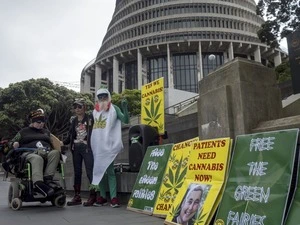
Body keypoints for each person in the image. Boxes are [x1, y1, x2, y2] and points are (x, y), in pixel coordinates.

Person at [83, 88, 129, 207]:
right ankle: (102, 197)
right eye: (100, 97)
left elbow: (126, 120)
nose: (102, 98)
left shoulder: (114, 109)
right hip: (97, 147)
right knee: (100, 171)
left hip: (108, 146)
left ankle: (113, 198)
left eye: (104, 96)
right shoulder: (95, 112)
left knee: (110, 172)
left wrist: (125, 108)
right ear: (97, 98)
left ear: (108, 96)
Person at [9, 109, 61, 197]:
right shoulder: (23, 132)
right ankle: (38, 183)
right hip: (29, 153)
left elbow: (55, 143)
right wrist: (14, 144)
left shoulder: (46, 132)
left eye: (43, 122)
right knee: (37, 158)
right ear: (32, 122)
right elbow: (11, 143)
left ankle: (48, 179)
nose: (41, 124)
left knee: (55, 153)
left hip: (45, 151)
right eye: (38, 122)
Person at [62, 98, 94, 206]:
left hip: (87, 147)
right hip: (76, 148)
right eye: (75, 107)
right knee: (77, 172)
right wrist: (62, 143)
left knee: (90, 171)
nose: (77, 109)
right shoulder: (74, 120)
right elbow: (70, 134)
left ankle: (93, 196)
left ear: (84, 107)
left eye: (79, 106)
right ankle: (77, 196)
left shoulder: (90, 118)